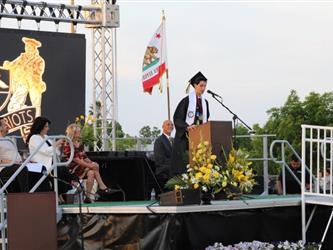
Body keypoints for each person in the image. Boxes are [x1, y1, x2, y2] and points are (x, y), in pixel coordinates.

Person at [171, 71, 210, 175]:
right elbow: (177, 118)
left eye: (205, 86)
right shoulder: (186, 101)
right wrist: (187, 127)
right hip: (186, 138)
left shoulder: (205, 102)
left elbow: (205, 119)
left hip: (200, 139)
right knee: (185, 166)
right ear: (195, 85)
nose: (203, 88)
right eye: (201, 85)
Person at [63, 123, 113, 203]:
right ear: (74, 133)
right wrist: (91, 165)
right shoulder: (68, 144)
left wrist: (92, 163)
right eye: (79, 132)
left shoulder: (79, 144)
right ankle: (102, 186)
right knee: (92, 168)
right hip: (72, 169)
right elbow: (76, 160)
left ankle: (88, 197)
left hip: (81, 167)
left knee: (92, 173)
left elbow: (85, 157)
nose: (80, 133)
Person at [3, 37, 46, 117]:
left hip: (34, 84)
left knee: (36, 103)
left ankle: (37, 121)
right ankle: (18, 116)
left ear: (33, 48)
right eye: (26, 46)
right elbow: (13, 64)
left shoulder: (39, 60)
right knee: (16, 100)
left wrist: (28, 70)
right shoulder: (22, 57)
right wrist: (7, 64)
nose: (27, 48)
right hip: (23, 82)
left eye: (29, 47)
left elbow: (39, 72)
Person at [0, 118, 29, 192]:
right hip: (5, 168)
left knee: (40, 169)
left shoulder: (9, 139)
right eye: (5, 124)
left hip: (17, 165)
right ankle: (25, 196)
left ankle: (41, 196)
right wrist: (12, 162)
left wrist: (26, 160)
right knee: (21, 169)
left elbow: (16, 155)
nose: (7, 125)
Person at [153, 120, 174, 196]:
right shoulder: (159, 141)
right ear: (163, 127)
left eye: (172, 125)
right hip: (164, 174)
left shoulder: (173, 140)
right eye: (168, 125)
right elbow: (159, 160)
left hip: (173, 173)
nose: (171, 126)